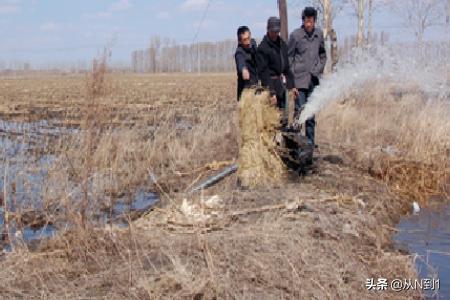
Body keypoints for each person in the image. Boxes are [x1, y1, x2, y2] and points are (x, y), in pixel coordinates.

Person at [288, 7, 326, 146]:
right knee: (299, 114)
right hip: (299, 82)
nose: (308, 24)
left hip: (314, 81)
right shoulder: (295, 35)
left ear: (314, 21)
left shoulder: (319, 34)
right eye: (306, 21)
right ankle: (295, 148)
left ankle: (309, 147)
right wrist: (291, 83)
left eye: (311, 21)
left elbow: (323, 55)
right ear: (303, 21)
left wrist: (319, 69)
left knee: (311, 115)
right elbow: (289, 58)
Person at [256, 17, 297, 127]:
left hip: (281, 87)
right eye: (273, 31)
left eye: (277, 31)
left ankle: (282, 142)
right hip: (270, 87)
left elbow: (287, 68)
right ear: (267, 29)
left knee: (284, 118)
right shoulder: (262, 48)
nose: (275, 33)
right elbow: (263, 73)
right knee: (272, 120)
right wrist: (271, 93)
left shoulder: (282, 45)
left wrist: (292, 86)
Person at [234, 26, 258, 101]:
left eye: (248, 38)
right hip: (245, 92)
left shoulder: (253, 44)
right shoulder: (239, 52)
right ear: (239, 41)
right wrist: (243, 69)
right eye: (244, 40)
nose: (248, 42)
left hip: (256, 88)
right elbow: (240, 62)